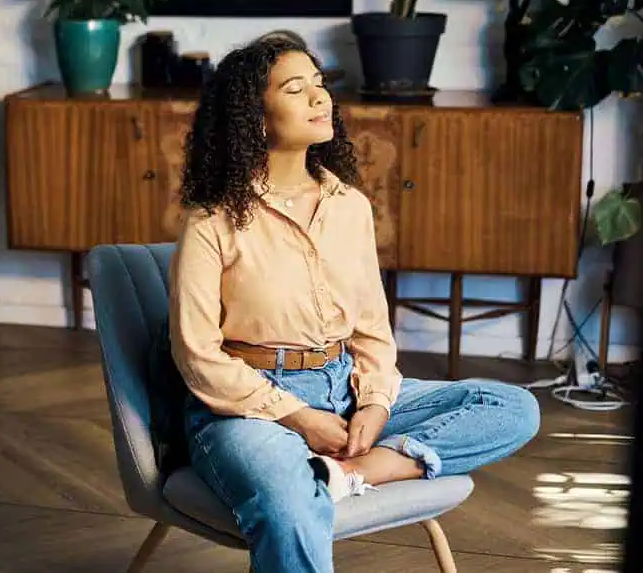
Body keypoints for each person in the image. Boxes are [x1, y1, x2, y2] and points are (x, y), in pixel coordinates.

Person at [168, 32, 541, 573]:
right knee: (289, 501)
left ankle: (355, 472)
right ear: (254, 115)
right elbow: (196, 354)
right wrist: (297, 417)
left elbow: (370, 330)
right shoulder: (212, 221)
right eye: (297, 89)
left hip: (344, 387)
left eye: (320, 85)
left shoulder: (351, 208)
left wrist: (374, 405)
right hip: (248, 407)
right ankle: (323, 472)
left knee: (512, 407)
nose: (321, 99)